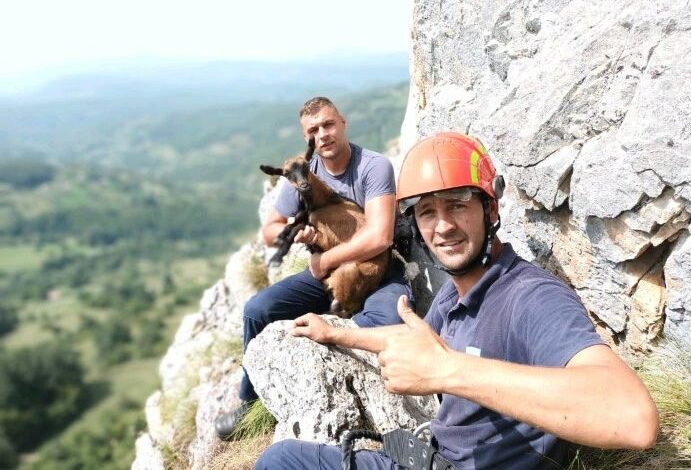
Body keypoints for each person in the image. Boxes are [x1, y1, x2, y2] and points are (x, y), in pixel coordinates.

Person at [255, 132, 659, 469]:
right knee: (291, 457)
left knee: (281, 463)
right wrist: (335, 333)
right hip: (436, 454)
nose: (443, 226)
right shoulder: (457, 288)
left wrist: (448, 370)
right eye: (427, 212)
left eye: (458, 204)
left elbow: (633, 419)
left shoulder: (529, 296)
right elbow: (418, 343)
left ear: (490, 207)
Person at [214, 97, 413, 439]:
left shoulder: (373, 166)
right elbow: (269, 229)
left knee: (387, 321)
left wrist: (324, 260)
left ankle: (362, 407)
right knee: (257, 310)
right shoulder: (302, 176)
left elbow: (379, 237)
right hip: (325, 274)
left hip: (378, 272)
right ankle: (250, 403)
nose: (323, 134)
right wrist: (295, 232)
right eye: (314, 130)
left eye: (328, 124)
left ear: (343, 123)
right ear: (308, 139)